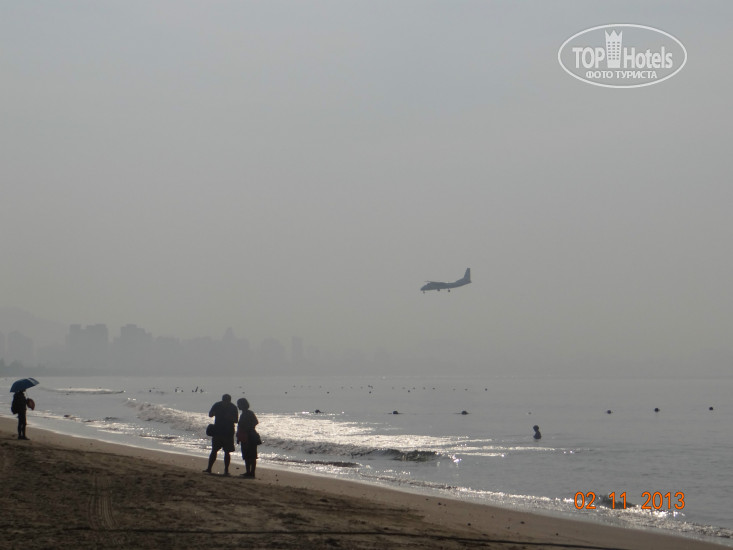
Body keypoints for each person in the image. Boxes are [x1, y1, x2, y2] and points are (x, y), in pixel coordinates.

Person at [204, 394, 238, 475]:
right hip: (218, 431)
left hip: (228, 432)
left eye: (227, 401)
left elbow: (236, 420)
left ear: (229, 400)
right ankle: (209, 468)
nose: (226, 402)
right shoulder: (217, 405)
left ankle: (226, 470)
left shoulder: (233, 407)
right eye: (225, 401)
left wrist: (229, 417)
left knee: (227, 451)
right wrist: (214, 413)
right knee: (214, 450)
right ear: (222, 400)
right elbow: (210, 414)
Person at [236, 398, 259, 478]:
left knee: (251, 455)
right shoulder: (244, 414)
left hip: (250, 436)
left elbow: (255, 422)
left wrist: (248, 428)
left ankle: (251, 472)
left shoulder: (248, 413)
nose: (238, 406)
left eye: (239, 404)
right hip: (246, 436)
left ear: (243, 405)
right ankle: (249, 472)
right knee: (247, 455)